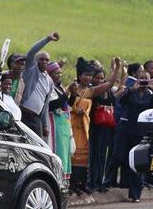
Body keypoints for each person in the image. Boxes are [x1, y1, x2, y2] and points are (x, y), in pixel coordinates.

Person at [67, 57, 120, 194]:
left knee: (83, 158)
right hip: (71, 127)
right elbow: (64, 104)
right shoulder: (72, 88)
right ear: (79, 76)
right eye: (86, 75)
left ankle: (81, 184)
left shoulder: (90, 91)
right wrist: (74, 109)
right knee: (72, 154)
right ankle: (70, 184)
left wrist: (117, 68)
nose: (89, 78)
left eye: (90, 75)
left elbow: (109, 84)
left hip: (85, 128)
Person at [113, 71, 153, 202]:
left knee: (137, 161)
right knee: (119, 156)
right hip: (126, 130)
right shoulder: (132, 92)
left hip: (140, 132)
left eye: (146, 79)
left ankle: (135, 193)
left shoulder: (151, 94)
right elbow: (121, 101)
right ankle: (112, 182)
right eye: (141, 79)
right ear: (137, 80)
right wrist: (131, 89)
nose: (143, 81)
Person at [19, 32, 60, 138]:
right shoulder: (31, 71)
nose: (45, 62)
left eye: (47, 60)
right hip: (24, 114)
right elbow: (31, 53)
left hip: (36, 118)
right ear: (36, 61)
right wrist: (47, 39)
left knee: (37, 146)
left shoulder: (49, 81)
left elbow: (45, 105)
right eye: (41, 59)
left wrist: (45, 124)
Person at [89, 68, 117, 192]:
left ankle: (100, 182)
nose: (99, 80)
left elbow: (111, 102)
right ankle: (93, 182)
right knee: (94, 155)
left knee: (102, 155)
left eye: (102, 78)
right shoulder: (92, 90)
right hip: (93, 126)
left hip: (105, 126)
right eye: (97, 78)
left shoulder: (108, 92)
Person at [46, 62, 72, 183]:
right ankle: (57, 181)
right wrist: (67, 93)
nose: (59, 75)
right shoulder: (49, 87)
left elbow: (67, 104)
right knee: (58, 152)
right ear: (49, 74)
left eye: (60, 72)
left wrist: (73, 93)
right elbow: (53, 104)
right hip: (54, 125)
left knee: (65, 154)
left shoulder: (59, 87)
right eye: (56, 73)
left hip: (64, 125)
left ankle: (64, 183)